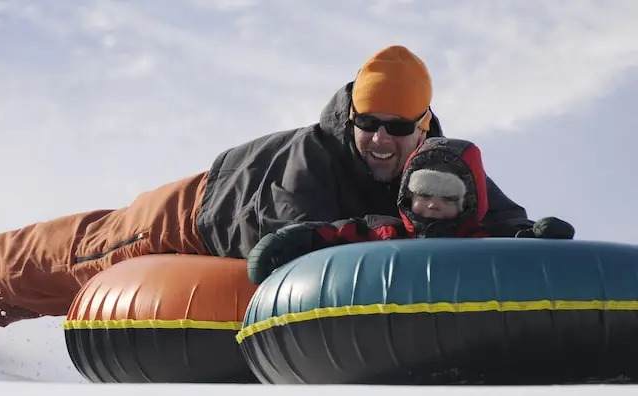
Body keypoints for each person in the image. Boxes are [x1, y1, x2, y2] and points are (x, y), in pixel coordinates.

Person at [0, 45, 536, 348]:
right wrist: (396, 231)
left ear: (424, 126)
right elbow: (301, 241)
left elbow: (490, 212)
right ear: (351, 115)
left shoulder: (436, 168)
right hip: (201, 213)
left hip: (236, 232)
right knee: (90, 255)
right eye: (368, 122)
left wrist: (530, 236)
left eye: (396, 128)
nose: (379, 140)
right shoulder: (312, 158)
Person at [246, 136, 575, 283]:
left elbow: (514, 237)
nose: (433, 204)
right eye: (424, 193)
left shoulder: (482, 242)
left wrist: (540, 236)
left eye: (448, 198)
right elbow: (338, 233)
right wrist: (294, 238)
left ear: (468, 204)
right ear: (407, 195)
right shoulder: (387, 233)